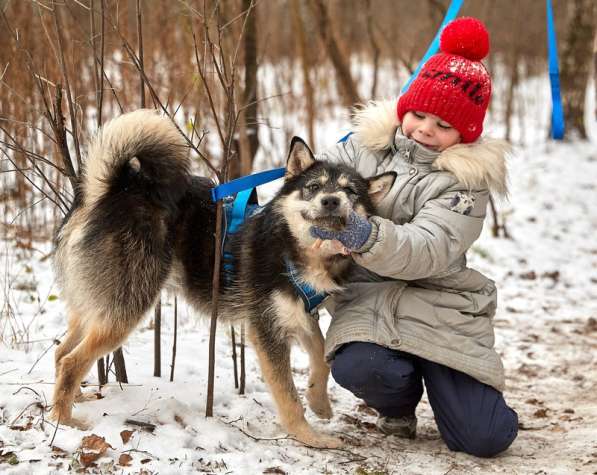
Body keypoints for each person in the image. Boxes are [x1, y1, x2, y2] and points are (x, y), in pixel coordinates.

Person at [310, 17, 518, 458]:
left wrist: (365, 233)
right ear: (405, 107)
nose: (424, 129)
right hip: (369, 298)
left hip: (441, 306)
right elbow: (314, 184)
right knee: (361, 366)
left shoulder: (466, 183)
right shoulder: (361, 147)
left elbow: (427, 250)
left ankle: (456, 390)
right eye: (418, 114)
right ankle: (398, 402)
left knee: (484, 438)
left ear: (466, 133)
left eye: (443, 125)